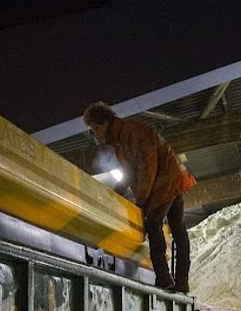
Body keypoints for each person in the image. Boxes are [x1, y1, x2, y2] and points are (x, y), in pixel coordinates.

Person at [83, 102, 195, 293]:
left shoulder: (131, 133)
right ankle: (181, 281)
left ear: (105, 123)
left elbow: (147, 168)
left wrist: (142, 201)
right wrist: (116, 191)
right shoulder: (122, 139)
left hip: (165, 180)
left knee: (153, 223)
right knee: (178, 229)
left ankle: (164, 278)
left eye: (96, 128)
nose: (97, 134)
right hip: (170, 177)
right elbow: (130, 171)